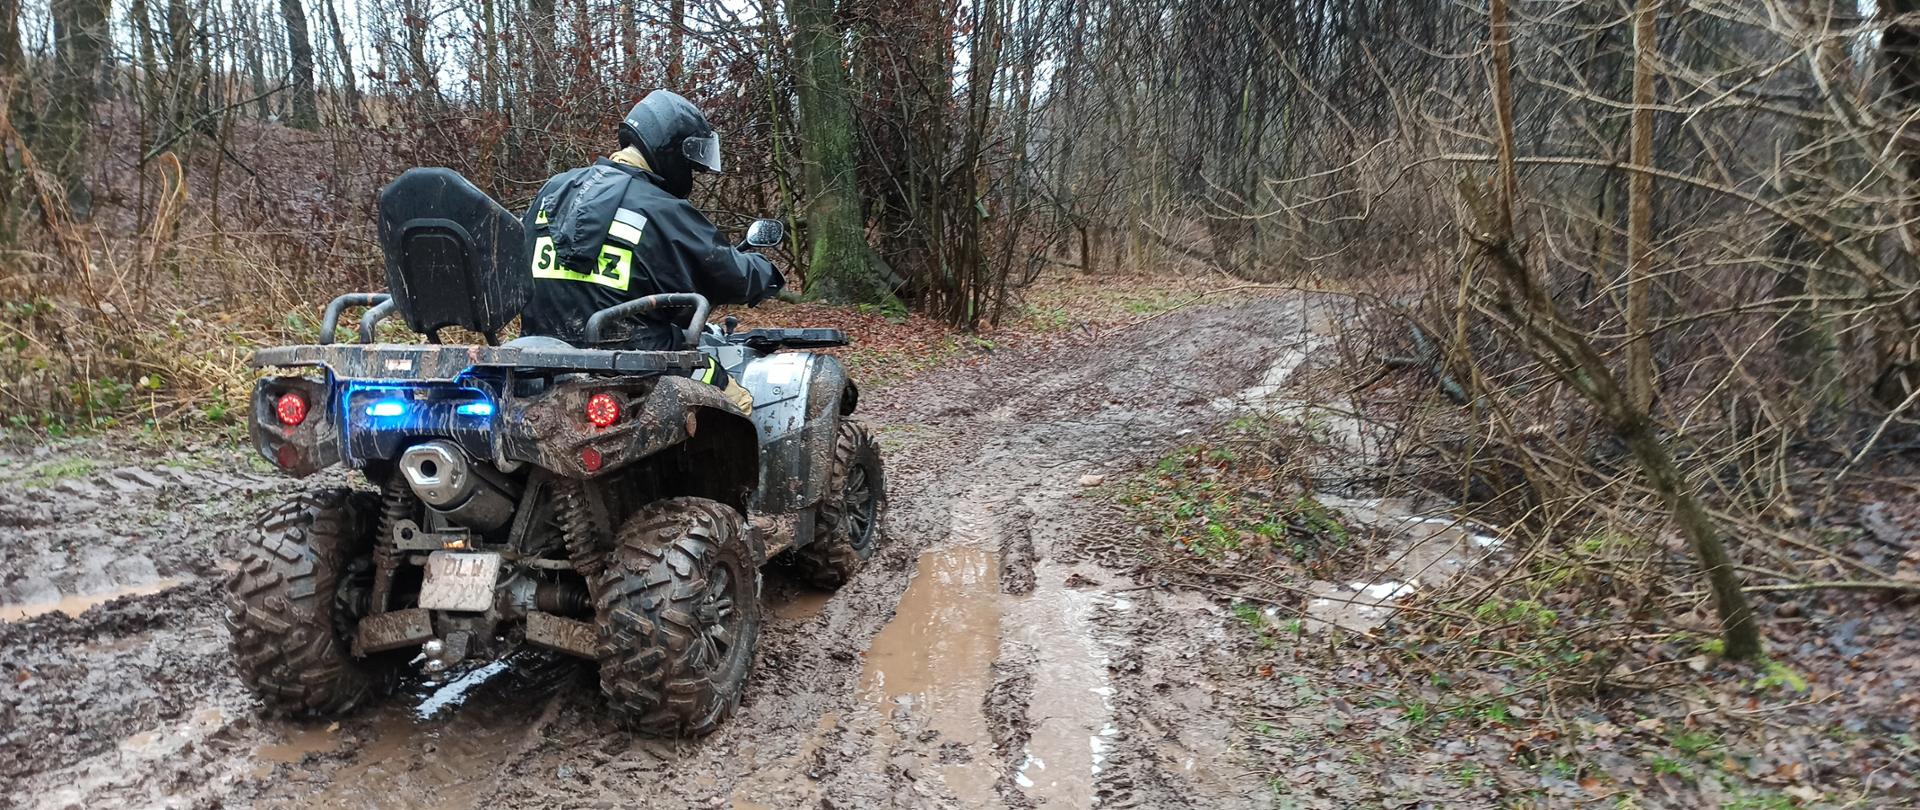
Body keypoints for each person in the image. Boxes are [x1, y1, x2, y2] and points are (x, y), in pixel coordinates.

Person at [519, 89, 779, 412]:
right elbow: (729, 273)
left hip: (539, 362)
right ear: (671, 150)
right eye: (690, 166)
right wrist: (765, 271)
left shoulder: (552, 192)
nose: (690, 176)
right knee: (739, 404)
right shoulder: (662, 210)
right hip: (638, 366)